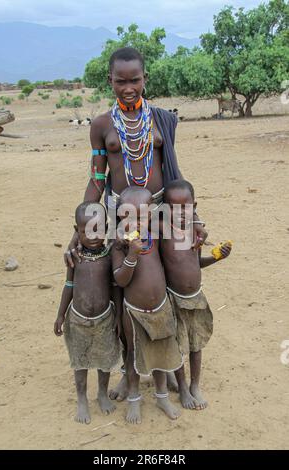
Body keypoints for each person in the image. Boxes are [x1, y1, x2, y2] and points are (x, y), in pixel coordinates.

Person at [64, 46, 207, 400]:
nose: (129, 87)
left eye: (136, 80)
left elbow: (174, 174)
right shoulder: (101, 125)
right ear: (109, 80)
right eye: (120, 81)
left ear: (145, 78)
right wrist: (78, 230)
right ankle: (128, 373)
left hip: (160, 214)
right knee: (123, 292)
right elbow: (98, 179)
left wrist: (193, 218)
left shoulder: (160, 119)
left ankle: (168, 366)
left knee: (167, 288)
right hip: (119, 216)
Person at [112, 187, 183, 424]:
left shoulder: (156, 238)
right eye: (129, 215)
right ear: (121, 215)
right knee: (133, 355)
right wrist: (131, 254)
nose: (136, 221)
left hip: (160, 308)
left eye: (142, 215)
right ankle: (134, 398)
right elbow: (121, 280)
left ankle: (162, 396)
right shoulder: (119, 246)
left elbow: (173, 259)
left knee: (160, 355)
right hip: (134, 313)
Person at [160, 180, 232, 410]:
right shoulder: (164, 235)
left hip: (196, 298)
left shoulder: (195, 234)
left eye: (186, 206)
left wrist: (218, 257)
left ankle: (195, 385)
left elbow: (196, 264)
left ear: (194, 206)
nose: (181, 212)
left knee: (196, 345)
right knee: (178, 346)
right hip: (174, 299)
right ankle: (182, 387)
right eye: (173, 206)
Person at [54, 202, 120, 424]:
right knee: (80, 361)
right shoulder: (75, 257)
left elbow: (114, 290)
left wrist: (119, 316)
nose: (92, 235)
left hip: (104, 319)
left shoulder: (110, 255)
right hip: (78, 319)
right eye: (85, 231)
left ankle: (102, 393)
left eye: (98, 228)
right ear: (77, 230)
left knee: (105, 360)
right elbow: (69, 286)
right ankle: (82, 399)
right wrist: (60, 315)